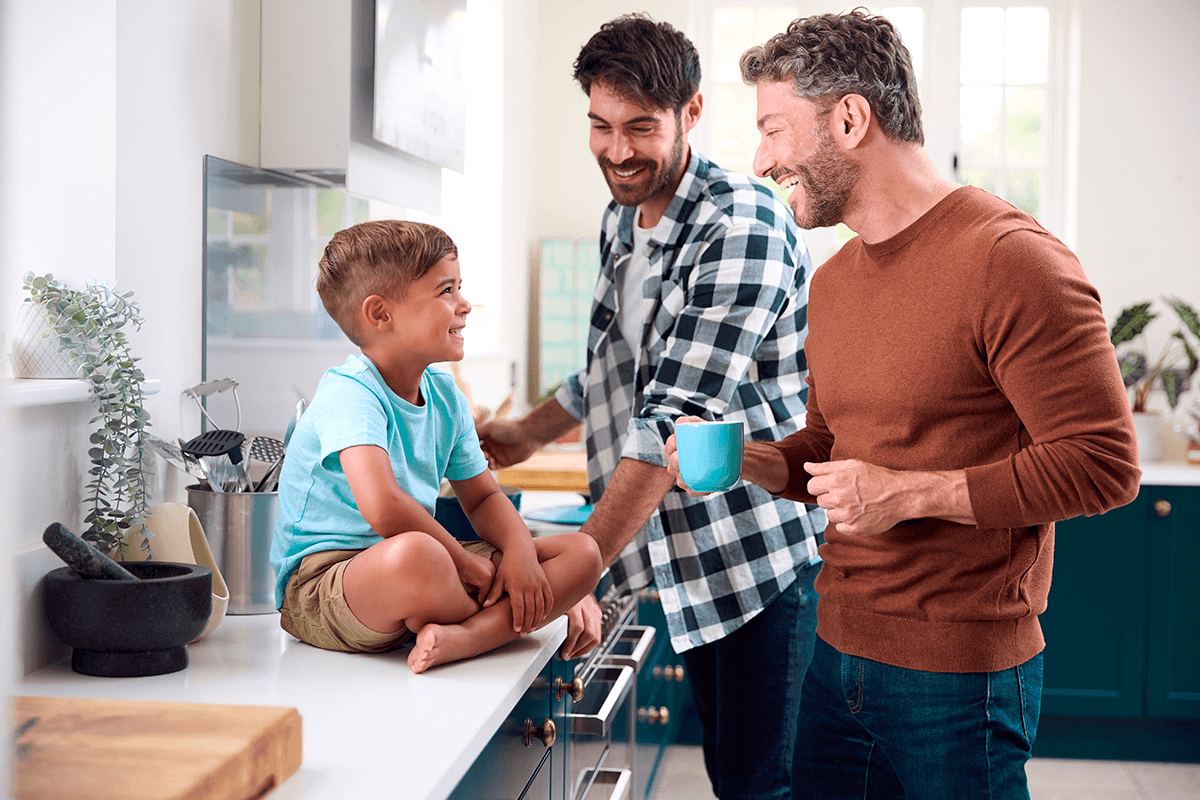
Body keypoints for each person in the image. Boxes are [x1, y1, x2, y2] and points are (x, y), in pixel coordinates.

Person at [665, 10, 1141, 799]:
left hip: (959, 679)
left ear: (850, 118)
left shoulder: (1011, 261)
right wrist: (748, 460)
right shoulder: (835, 280)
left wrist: (913, 494)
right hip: (834, 655)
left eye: (775, 130)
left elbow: (1103, 465)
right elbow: (829, 446)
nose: (761, 159)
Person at [477, 14, 825, 799]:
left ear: (691, 112)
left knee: (760, 784)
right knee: (733, 774)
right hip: (684, 557)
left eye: (640, 127)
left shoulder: (741, 224)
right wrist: (520, 436)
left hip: (758, 559)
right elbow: (614, 369)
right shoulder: (622, 221)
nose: (618, 150)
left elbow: (675, 414)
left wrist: (588, 557)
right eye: (600, 126)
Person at [270, 220, 603, 675]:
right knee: (420, 555)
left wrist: (521, 553)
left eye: (460, 287)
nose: (464, 305)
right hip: (328, 584)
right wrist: (466, 563)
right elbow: (383, 508)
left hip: (422, 570)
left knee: (582, 556)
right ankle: (492, 625)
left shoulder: (446, 396)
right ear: (381, 315)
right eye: (446, 290)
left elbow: (484, 497)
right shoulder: (351, 393)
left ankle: (465, 636)